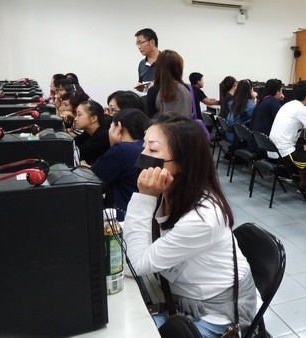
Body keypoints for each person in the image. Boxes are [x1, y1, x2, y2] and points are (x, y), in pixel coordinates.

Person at [123, 113, 256, 337]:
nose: (144, 156)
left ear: (183, 163)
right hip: (181, 296)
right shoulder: (170, 190)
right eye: (144, 146)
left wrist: (143, 197)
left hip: (216, 311)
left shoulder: (202, 218)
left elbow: (133, 265)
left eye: (153, 151)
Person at [91, 108, 149, 221]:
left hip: (121, 218)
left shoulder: (123, 150)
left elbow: (92, 179)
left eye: (111, 127)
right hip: (141, 215)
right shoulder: (144, 147)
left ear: (119, 127)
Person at [145, 50, 193, 118]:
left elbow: (151, 121)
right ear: (179, 68)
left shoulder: (153, 91)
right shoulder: (188, 89)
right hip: (187, 128)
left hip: (162, 128)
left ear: (158, 68)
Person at [74, 99, 110, 165]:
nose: (75, 118)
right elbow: (74, 142)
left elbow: (77, 151)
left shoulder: (103, 135)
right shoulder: (88, 132)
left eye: (79, 115)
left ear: (93, 118)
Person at [134, 28, 160, 93]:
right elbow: (142, 85)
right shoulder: (142, 64)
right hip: (148, 101)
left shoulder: (167, 60)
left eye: (140, 43)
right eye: (137, 44)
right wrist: (141, 88)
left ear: (152, 42)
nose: (139, 47)